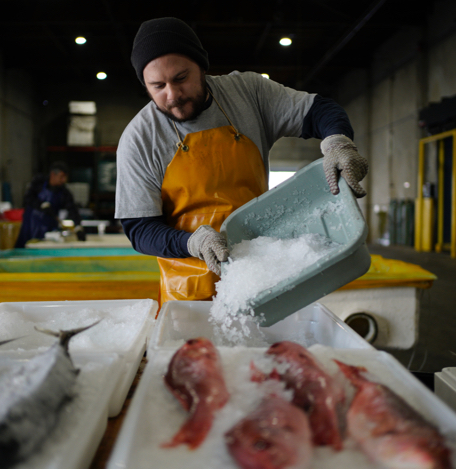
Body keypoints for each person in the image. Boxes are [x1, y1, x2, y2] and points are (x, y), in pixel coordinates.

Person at [115, 17, 368, 305]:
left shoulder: (248, 93)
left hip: (261, 276)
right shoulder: (139, 138)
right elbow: (140, 229)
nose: (172, 95)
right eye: (158, 86)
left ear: (202, 66)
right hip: (188, 293)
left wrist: (338, 142)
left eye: (181, 78)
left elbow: (318, 111)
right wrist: (191, 242)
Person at [15, 161, 86, 248]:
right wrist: (41, 205)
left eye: (65, 177)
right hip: (30, 226)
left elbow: (73, 210)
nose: (64, 180)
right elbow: (28, 198)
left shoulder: (64, 193)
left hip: (48, 231)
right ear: (53, 174)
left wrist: (78, 228)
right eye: (61, 177)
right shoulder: (38, 182)